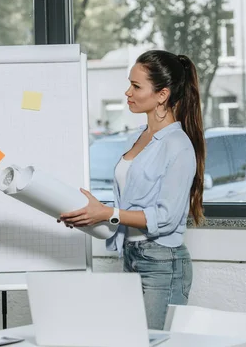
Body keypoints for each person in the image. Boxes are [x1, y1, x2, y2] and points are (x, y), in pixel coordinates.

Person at [59, 50, 205, 330]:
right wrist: (87, 213)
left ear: (162, 95)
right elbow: (130, 203)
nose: (128, 92)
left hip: (162, 262)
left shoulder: (178, 145)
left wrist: (107, 213)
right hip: (132, 254)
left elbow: (166, 218)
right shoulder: (138, 136)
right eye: (130, 83)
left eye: (136, 86)